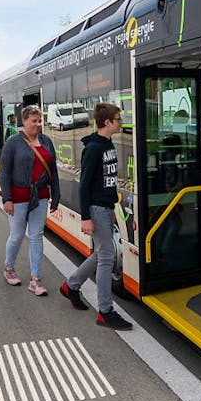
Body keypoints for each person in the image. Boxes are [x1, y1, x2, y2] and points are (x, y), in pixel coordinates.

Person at [59, 103, 132, 330]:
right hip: (97, 209)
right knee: (107, 257)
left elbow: (106, 180)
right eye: (118, 119)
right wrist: (85, 217)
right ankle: (105, 311)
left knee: (102, 254)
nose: (121, 123)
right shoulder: (93, 149)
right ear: (107, 122)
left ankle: (71, 285)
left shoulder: (107, 143)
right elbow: (84, 185)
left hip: (108, 207)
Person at [0, 105, 62, 296]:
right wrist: (7, 199)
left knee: (36, 235)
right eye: (33, 121)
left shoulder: (46, 141)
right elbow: (5, 172)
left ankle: (35, 279)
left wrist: (56, 195)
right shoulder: (13, 142)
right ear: (24, 121)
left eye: (39, 120)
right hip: (18, 197)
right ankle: (9, 268)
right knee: (17, 234)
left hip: (41, 196)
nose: (37, 124)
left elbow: (53, 170)